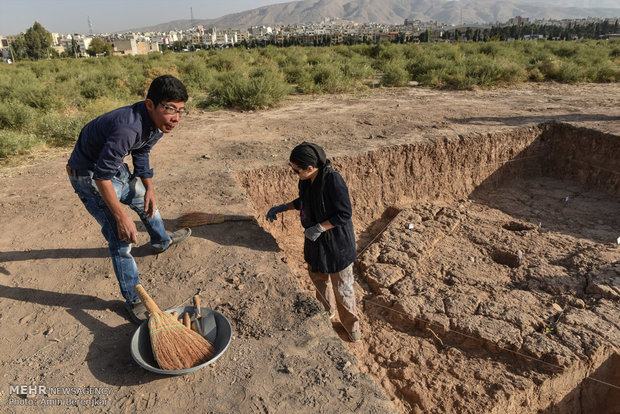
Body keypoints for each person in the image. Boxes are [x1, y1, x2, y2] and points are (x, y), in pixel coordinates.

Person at [66, 74, 192, 324]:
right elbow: (101, 178)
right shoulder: (128, 127)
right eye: (170, 109)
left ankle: (161, 240)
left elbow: (142, 151)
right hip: (88, 175)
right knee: (119, 236)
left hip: (111, 169)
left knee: (147, 201)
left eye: (181, 111)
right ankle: (134, 300)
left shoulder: (159, 125)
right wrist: (122, 216)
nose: (176, 118)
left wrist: (150, 189)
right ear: (150, 105)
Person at [266, 142, 361, 341]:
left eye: (296, 170)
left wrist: (319, 227)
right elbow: (304, 201)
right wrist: (282, 207)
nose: (294, 173)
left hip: (336, 244)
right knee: (319, 281)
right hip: (315, 242)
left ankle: (351, 327)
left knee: (343, 288)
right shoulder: (306, 180)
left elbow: (344, 213)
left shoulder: (333, 181)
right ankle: (325, 316)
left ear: (310, 168)